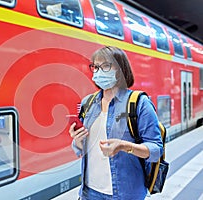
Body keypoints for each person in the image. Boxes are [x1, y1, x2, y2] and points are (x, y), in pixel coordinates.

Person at [69, 46, 163, 200]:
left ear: (120, 69)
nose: (98, 72)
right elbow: (81, 148)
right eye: (95, 67)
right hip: (89, 192)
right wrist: (78, 141)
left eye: (106, 66)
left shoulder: (139, 103)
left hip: (126, 193)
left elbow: (155, 149)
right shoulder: (88, 103)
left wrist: (125, 146)